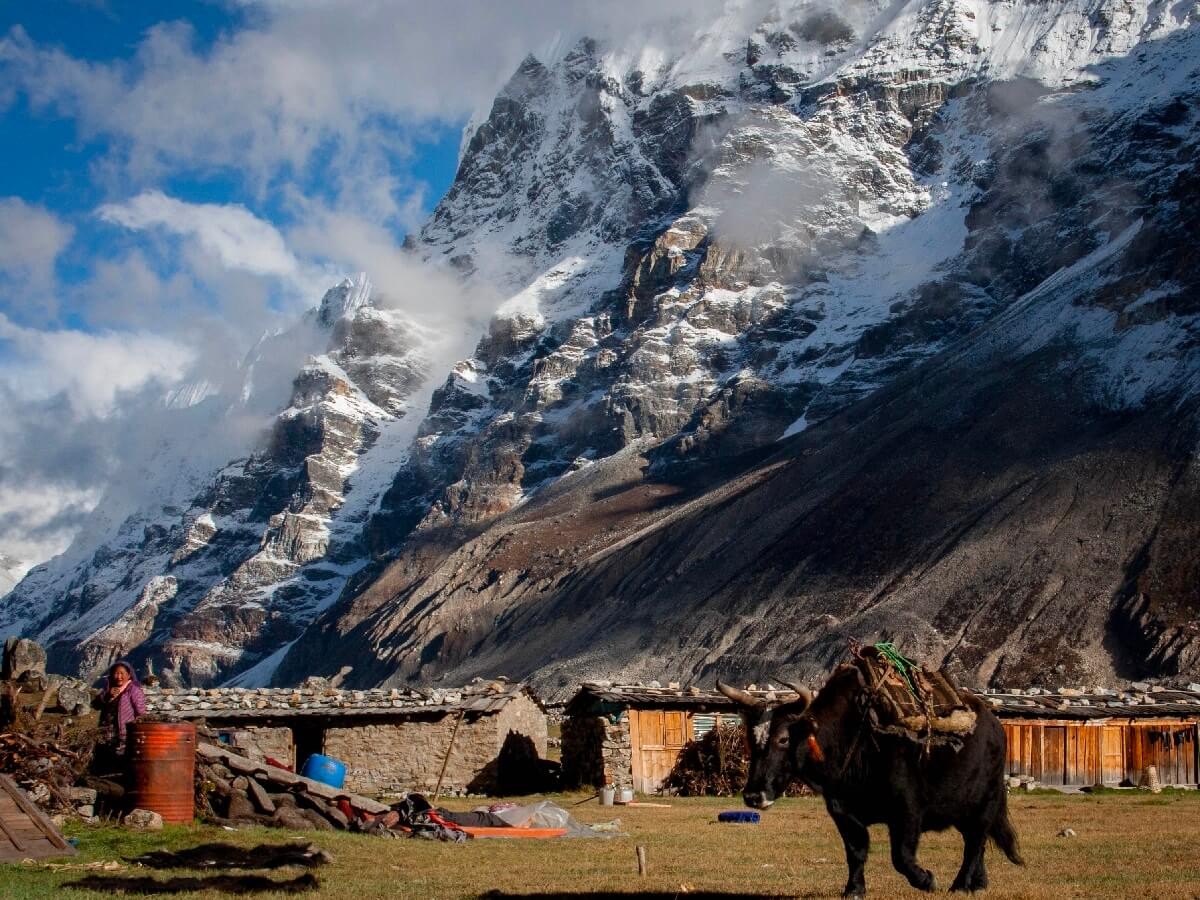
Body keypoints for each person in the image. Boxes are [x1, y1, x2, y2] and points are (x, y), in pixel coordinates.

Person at [95, 661, 146, 765]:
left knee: (122, 757)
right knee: (106, 756)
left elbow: (140, 711)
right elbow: (96, 705)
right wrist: (107, 695)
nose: (119, 676)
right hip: (106, 729)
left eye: (122, 673)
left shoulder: (133, 690)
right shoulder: (108, 688)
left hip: (124, 731)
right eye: (116, 673)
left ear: (129, 675)